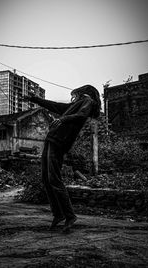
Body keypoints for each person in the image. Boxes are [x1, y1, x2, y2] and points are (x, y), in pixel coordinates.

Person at [23, 85, 101, 232]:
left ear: (82, 93)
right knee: (46, 179)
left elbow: (82, 115)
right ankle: (58, 214)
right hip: (52, 139)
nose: (74, 97)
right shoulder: (74, 105)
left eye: (75, 94)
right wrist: (35, 99)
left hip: (59, 141)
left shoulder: (87, 101)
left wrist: (63, 119)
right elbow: (55, 105)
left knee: (54, 179)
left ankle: (70, 216)